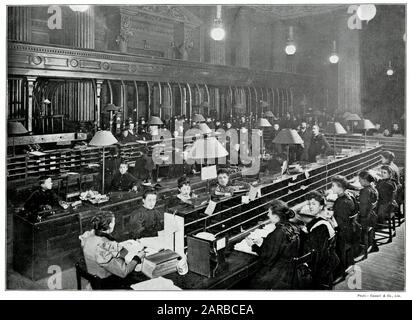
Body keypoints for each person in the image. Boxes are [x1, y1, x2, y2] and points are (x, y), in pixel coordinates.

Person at [79, 211, 146, 289]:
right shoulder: (103, 246)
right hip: (105, 282)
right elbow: (124, 272)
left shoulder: (90, 236)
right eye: (114, 221)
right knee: (141, 276)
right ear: (110, 224)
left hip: (94, 272)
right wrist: (137, 258)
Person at [245, 200, 300, 289]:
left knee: (248, 283)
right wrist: (263, 241)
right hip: (289, 274)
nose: (267, 215)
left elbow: (266, 257)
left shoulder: (277, 233)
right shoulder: (291, 227)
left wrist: (252, 245)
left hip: (277, 277)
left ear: (275, 217)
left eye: (269, 213)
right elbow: (279, 245)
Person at [296, 191, 339, 289]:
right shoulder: (323, 219)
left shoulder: (321, 227)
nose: (311, 206)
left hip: (322, 265)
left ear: (321, 207)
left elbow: (316, 253)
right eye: (310, 204)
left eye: (314, 204)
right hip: (329, 258)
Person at [330, 175, 358, 277]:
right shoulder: (349, 195)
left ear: (340, 187)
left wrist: (329, 219)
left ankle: (337, 268)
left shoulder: (341, 202)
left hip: (343, 234)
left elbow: (339, 224)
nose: (331, 188)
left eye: (333, 186)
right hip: (351, 230)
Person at [358, 171, 379, 252]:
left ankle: (357, 247)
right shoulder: (373, 189)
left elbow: (362, 211)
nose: (359, 181)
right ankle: (371, 242)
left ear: (364, 180)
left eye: (360, 179)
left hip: (366, 219)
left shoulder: (365, 191)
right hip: (372, 217)